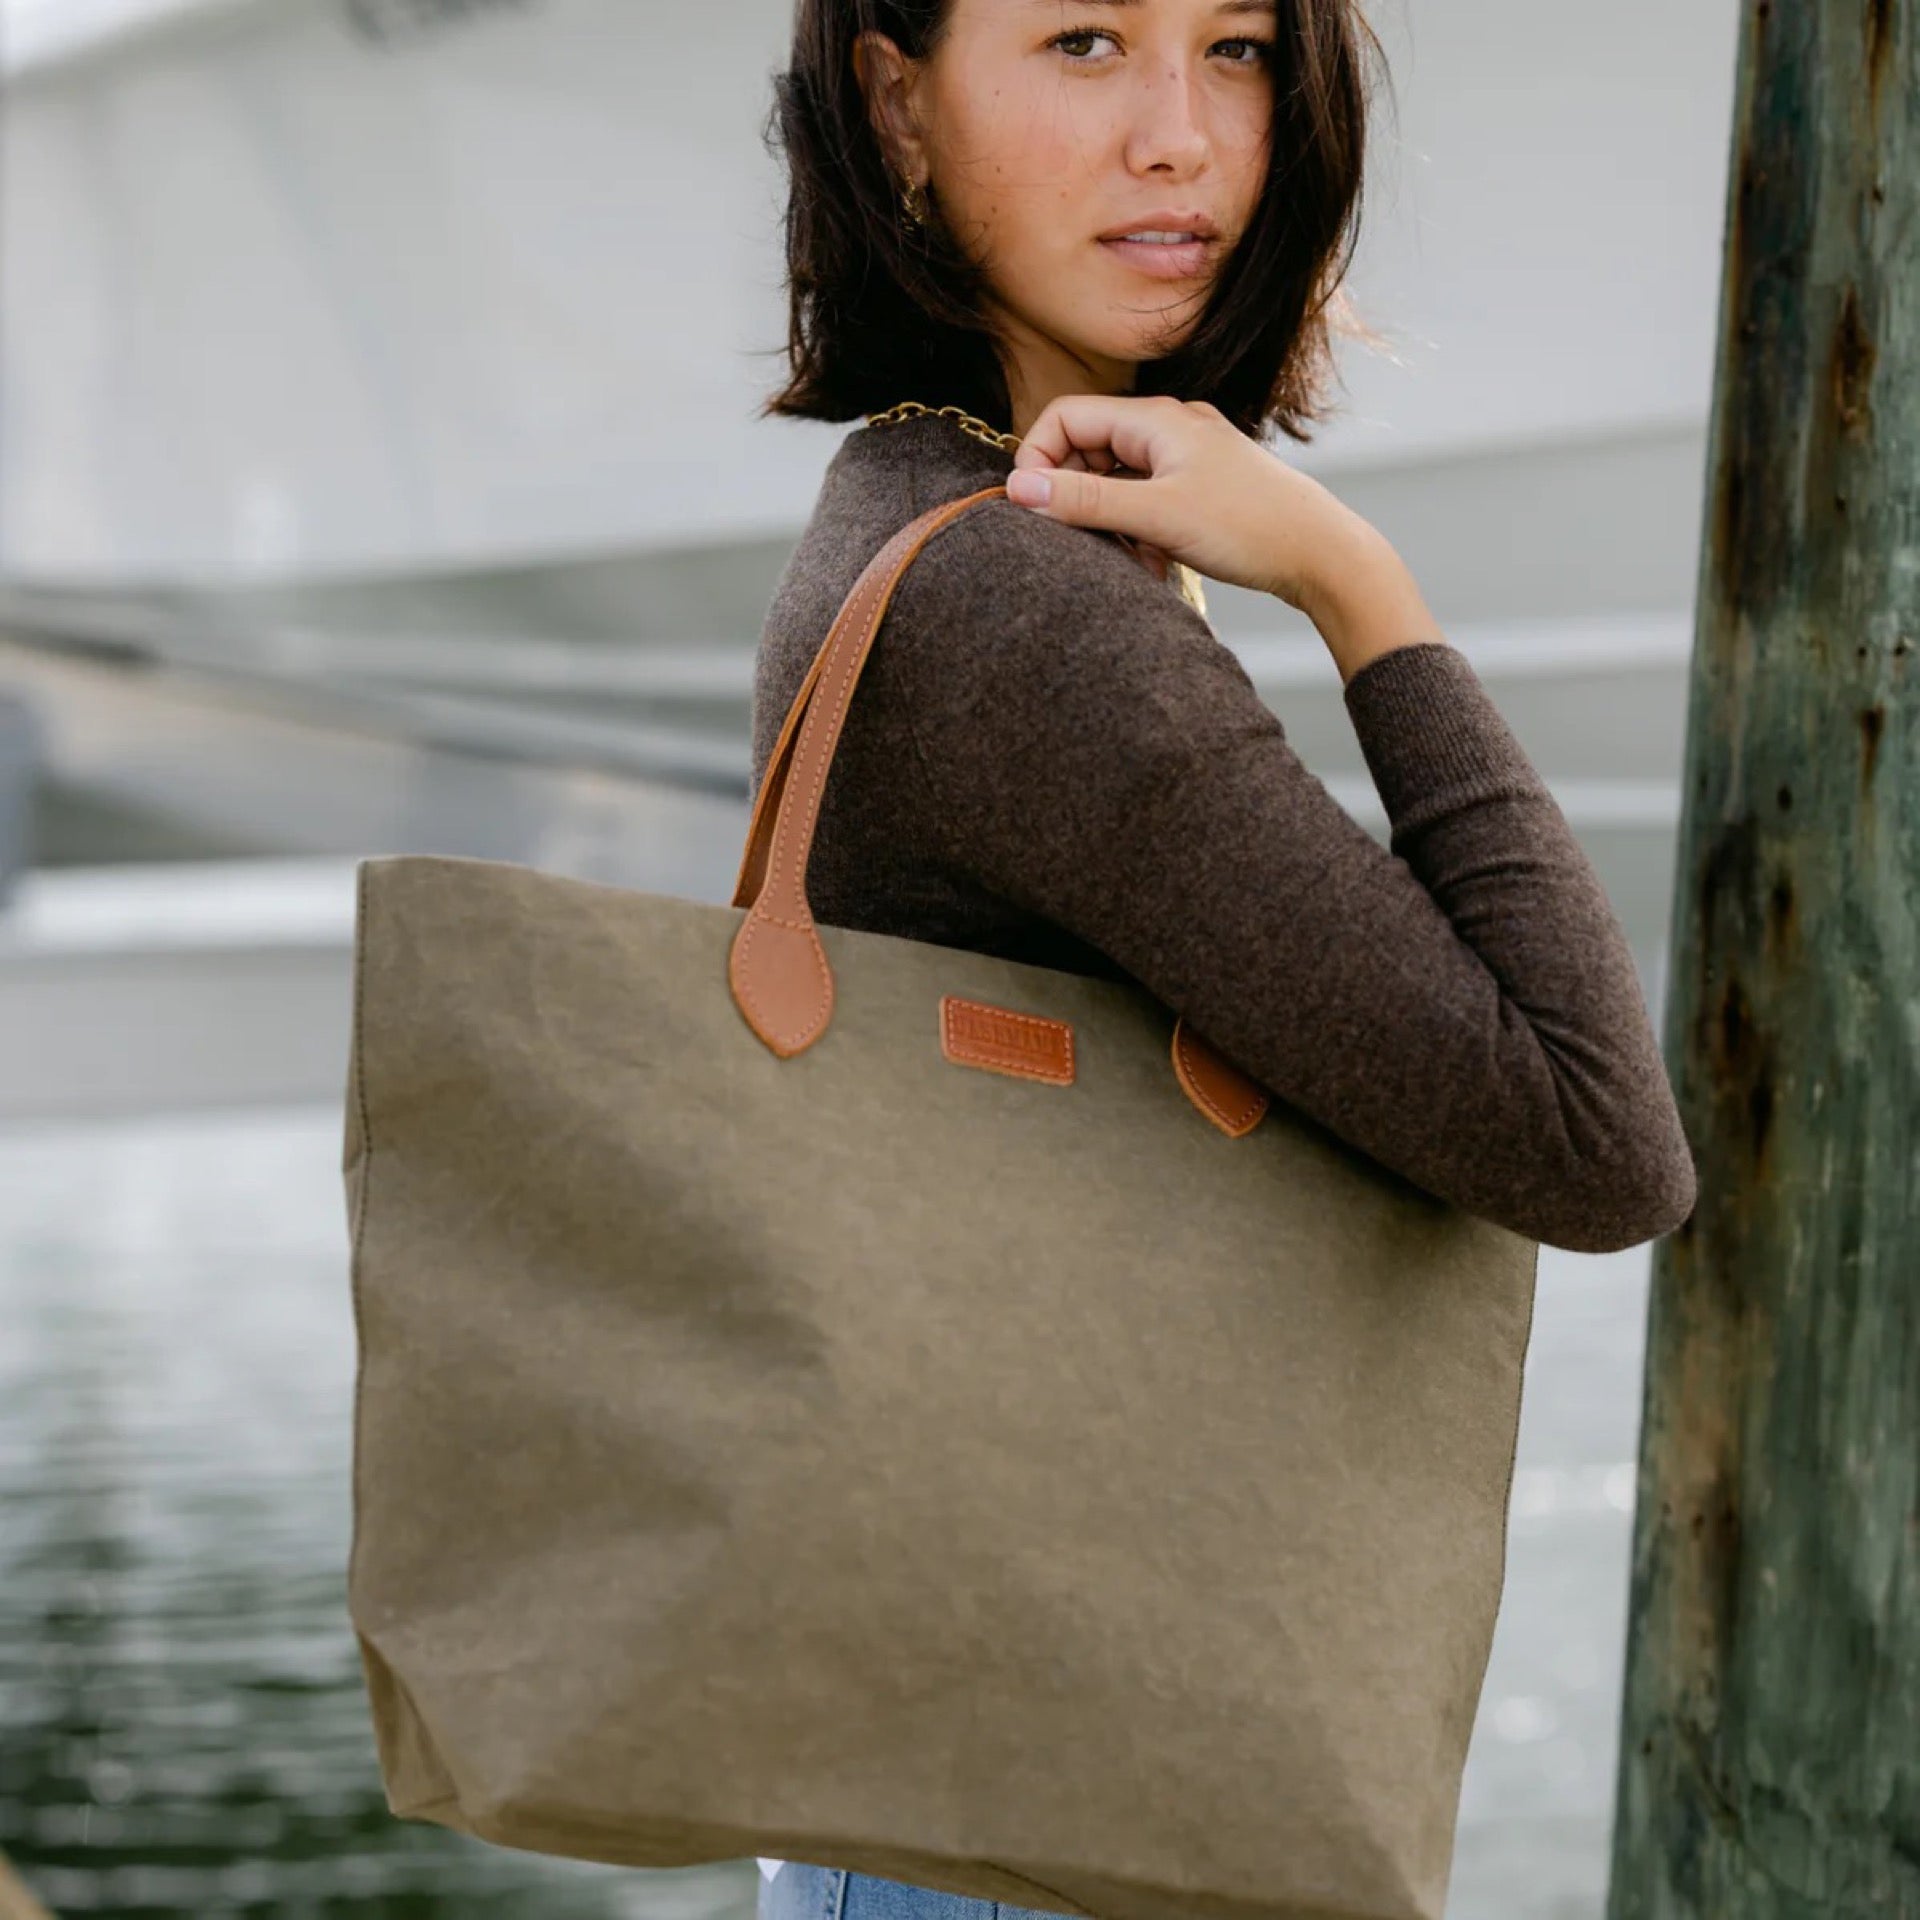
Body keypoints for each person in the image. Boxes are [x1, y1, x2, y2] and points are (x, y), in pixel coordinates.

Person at [751, 1, 1696, 1917]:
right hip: (1053, 1822)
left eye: (1243, 46)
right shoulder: (1013, 600)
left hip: (973, 1781)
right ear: (897, 104)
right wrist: (1361, 586)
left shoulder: (926, 496)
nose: (1182, 133)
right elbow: (1596, 1136)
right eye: (1087, 40)